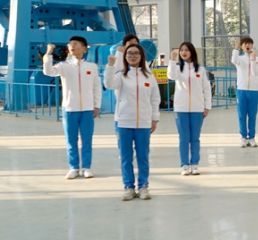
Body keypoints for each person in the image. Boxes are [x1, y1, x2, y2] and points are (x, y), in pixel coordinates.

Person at [105, 43, 160, 200]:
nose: (133, 56)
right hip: (124, 122)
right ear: (125, 57)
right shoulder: (121, 75)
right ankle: (128, 187)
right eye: (129, 53)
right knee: (126, 157)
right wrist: (110, 66)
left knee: (143, 157)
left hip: (143, 123)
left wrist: (154, 118)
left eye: (136, 53)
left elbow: (155, 99)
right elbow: (109, 84)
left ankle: (143, 186)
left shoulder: (149, 77)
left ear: (142, 56)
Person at [42, 36, 102, 179]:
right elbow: (48, 71)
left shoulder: (92, 67)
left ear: (84, 48)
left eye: (75, 44)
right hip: (69, 109)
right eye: (70, 44)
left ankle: (86, 167)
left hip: (87, 109)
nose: (72, 46)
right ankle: (73, 167)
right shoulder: (64, 66)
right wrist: (48, 54)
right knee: (71, 140)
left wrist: (96, 105)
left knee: (87, 140)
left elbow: (96, 87)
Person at [168, 42, 211, 176]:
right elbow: (171, 76)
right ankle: (184, 165)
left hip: (197, 108)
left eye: (186, 50)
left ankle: (195, 164)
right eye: (182, 50)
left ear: (192, 52)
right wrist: (172, 60)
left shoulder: (200, 69)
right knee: (184, 138)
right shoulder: (177, 68)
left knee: (195, 138)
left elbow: (206, 88)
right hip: (181, 108)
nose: (183, 52)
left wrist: (207, 106)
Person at [231, 37, 258, 148]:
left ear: (252, 45)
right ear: (242, 47)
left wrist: (253, 59)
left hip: (253, 90)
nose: (247, 46)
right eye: (245, 44)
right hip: (242, 90)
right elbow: (233, 60)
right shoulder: (239, 58)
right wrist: (236, 47)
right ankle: (243, 137)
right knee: (242, 115)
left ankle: (252, 137)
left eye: (249, 44)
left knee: (252, 115)